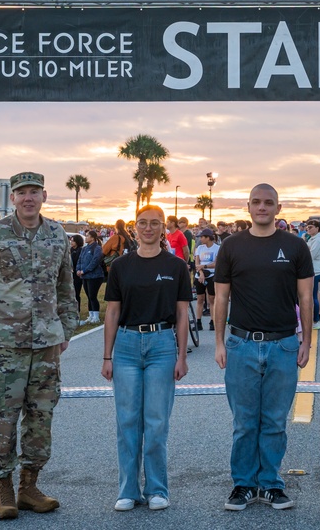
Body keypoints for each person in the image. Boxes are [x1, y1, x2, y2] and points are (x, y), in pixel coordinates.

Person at [0, 171, 78, 520]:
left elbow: (65, 286)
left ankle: (29, 486)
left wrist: (66, 329)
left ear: (44, 195)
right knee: (3, 418)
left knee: (41, 417)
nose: (28, 198)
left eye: (34, 192)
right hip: (3, 345)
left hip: (46, 345)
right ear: (12, 198)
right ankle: (4, 489)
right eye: (22, 192)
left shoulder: (57, 234)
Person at [213, 183, 313, 512]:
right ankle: (243, 484)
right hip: (241, 344)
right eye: (256, 202)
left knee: (274, 421)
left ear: (278, 208)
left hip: (282, 344)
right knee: (244, 421)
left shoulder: (296, 247)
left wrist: (306, 341)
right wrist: (219, 343)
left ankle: (270, 483)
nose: (262, 207)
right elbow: (222, 298)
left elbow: (305, 298)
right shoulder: (230, 247)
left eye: (268, 203)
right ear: (248, 206)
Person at [102, 205, 192, 512]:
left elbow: (182, 314)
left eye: (155, 223)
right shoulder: (120, 266)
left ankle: (157, 488)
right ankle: (128, 489)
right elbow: (112, 311)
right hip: (126, 346)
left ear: (164, 228)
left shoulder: (176, 266)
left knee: (156, 422)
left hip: (162, 345)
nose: (149, 228)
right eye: (143, 223)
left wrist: (182, 355)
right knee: (127, 421)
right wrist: (107, 356)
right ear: (134, 227)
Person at [194, 228, 220, 330]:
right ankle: (198, 322)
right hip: (200, 275)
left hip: (211, 275)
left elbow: (216, 264)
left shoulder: (217, 248)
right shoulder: (199, 248)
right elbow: (197, 263)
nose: (200, 239)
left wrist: (204, 267)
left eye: (202, 237)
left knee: (212, 299)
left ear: (208, 238)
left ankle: (212, 321)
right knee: (200, 299)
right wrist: (200, 273)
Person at [77, 230, 105, 325]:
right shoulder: (85, 248)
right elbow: (80, 259)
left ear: (92, 237)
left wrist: (85, 270)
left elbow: (95, 261)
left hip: (95, 276)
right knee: (89, 296)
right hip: (85, 276)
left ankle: (96, 317)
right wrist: (78, 269)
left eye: (87, 236)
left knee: (93, 296)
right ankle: (91, 315)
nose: (85, 237)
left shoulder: (97, 248)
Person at [304, 220, 320, 330]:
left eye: (311, 227)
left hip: (315, 271)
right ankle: (317, 318)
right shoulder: (313, 239)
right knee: (315, 296)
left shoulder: (317, 240)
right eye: (307, 227)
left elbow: (309, 256)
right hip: (316, 270)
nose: (308, 229)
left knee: (313, 297)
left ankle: (316, 320)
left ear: (317, 228)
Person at [69, 234, 85, 311]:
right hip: (70, 274)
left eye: (73, 241)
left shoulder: (81, 250)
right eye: (71, 240)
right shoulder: (70, 250)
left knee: (76, 293)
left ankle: (77, 310)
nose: (71, 242)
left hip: (77, 274)